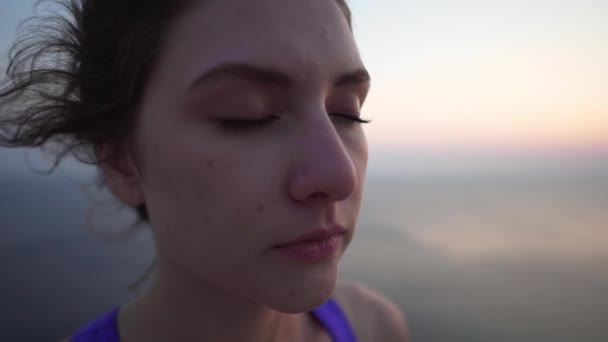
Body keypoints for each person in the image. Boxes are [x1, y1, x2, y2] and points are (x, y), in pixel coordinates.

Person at [0, 0, 410, 341]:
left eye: (347, 114)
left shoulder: (375, 326)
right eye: (247, 115)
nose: (341, 175)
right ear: (121, 161)